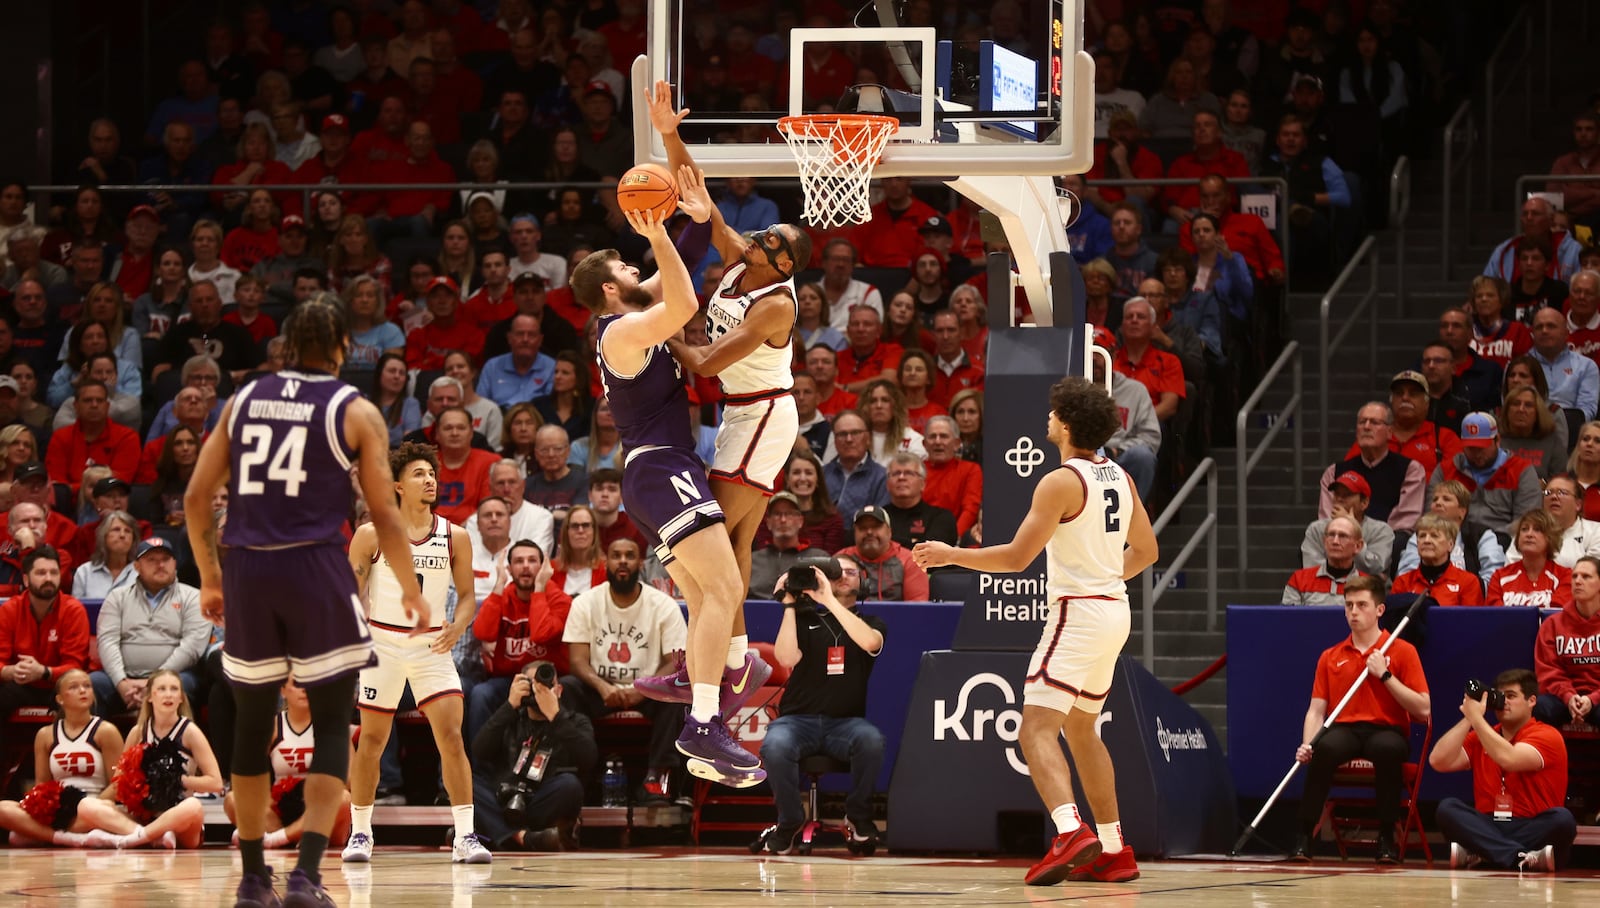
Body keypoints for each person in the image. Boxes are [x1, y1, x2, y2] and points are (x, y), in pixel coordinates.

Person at [183, 293, 428, 905]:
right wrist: (413, 590)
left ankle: (250, 880)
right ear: (343, 346)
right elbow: (385, 516)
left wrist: (211, 579)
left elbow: (193, 500)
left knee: (246, 730)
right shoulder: (355, 409)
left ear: (287, 344)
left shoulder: (242, 402)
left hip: (247, 571)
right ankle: (308, 877)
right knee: (330, 726)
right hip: (315, 567)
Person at [566, 158, 765, 788]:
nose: (639, 271)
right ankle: (702, 724)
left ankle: (705, 712)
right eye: (628, 270)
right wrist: (655, 234)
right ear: (608, 290)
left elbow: (690, 249)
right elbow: (680, 296)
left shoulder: (635, 312)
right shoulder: (618, 332)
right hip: (660, 469)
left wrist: (693, 210)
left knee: (710, 595)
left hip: (660, 473)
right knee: (727, 589)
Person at [913, 376, 1157, 883]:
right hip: (1114, 611)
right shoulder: (1120, 476)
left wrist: (950, 554)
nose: (1046, 419)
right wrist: (1104, 577)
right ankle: (1114, 847)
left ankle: (1070, 831)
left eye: (1052, 413)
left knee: (1035, 728)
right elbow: (1148, 552)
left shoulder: (1061, 480)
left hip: (1079, 614)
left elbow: (1017, 558)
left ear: (1066, 423)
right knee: (1084, 729)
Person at [343, 441, 489, 865]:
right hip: (382, 645)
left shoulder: (455, 536)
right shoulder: (371, 534)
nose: (430, 481)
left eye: (432, 474)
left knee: (451, 738)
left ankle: (465, 835)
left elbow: (466, 598)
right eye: (419, 474)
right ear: (397, 486)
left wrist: (458, 624)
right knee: (371, 740)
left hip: (430, 645)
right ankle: (360, 833)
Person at [1289, 574, 1430, 863]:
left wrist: (1386, 675)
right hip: (1346, 729)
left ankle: (1387, 839)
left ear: (1379, 610)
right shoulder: (1331, 656)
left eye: (1362, 605)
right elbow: (1316, 710)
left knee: (1387, 750)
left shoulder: (1402, 651)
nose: (1353, 611)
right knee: (1324, 750)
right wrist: (1308, 744)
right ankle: (1304, 837)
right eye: (1349, 605)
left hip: (1387, 729)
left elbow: (1423, 709)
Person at [757, 558, 887, 854]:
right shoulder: (803, 619)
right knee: (775, 744)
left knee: (872, 740)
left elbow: (869, 642)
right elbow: (786, 658)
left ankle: (856, 816)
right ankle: (790, 821)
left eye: (850, 572)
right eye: (835, 572)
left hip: (845, 723)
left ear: (862, 582)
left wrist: (827, 598)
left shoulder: (872, 622)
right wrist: (789, 606)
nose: (841, 577)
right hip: (797, 721)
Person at [560, 538, 690, 801]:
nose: (622, 561)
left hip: (649, 690)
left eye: (629, 556)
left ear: (640, 563)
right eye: (616, 555)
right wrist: (602, 686)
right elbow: (577, 661)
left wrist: (641, 689)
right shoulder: (585, 602)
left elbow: (676, 661)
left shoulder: (663, 605)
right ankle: (573, 774)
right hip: (599, 689)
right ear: (604, 563)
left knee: (678, 693)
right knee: (567, 689)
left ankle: (658, 779)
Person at [1428, 668, 1575, 872]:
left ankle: (1485, 853)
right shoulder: (1482, 734)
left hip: (1530, 824)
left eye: (1512, 696)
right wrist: (1469, 718)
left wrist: (1478, 721)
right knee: (1447, 809)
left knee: (1562, 819)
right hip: (1489, 824)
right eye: (1499, 696)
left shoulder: (1547, 735)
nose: (1504, 702)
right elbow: (1438, 761)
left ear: (1532, 700)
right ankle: (1519, 857)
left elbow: (1510, 759)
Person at [0, 668, 137, 848]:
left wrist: (92, 806)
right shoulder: (45, 735)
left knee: (20, 836)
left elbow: (119, 782)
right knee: (3, 809)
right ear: (60, 699)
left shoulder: (106, 730)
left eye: (87, 686)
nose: (82, 690)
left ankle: (45, 834)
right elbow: (42, 785)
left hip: (96, 806)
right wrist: (45, 811)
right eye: (74, 687)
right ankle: (71, 838)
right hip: (60, 809)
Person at [472, 659, 594, 852]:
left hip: (542, 802)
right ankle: (523, 838)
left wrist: (556, 716)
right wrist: (509, 705)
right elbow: (479, 751)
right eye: (531, 684)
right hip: (506, 802)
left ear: (559, 691)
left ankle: (494, 834)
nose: (538, 691)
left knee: (570, 785)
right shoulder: (511, 718)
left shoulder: (574, 721)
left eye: (546, 685)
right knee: (466, 781)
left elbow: (588, 759)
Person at [223, 678, 353, 850]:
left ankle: (274, 840)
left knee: (342, 797)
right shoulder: (272, 727)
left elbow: (350, 782)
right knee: (233, 799)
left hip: (323, 817)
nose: (305, 689)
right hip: (280, 813)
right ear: (283, 691)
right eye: (297, 684)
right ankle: (282, 836)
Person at [468, 539, 571, 742]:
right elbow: (482, 633)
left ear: (543, 568)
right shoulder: (502, 596)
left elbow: (541, 634)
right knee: (480, 694)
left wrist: (539, 590)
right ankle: (479, 772)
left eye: (532, 560)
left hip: (548, 680)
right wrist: (498, 584)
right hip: (509, 678)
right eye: (519, 561)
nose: (525, 566)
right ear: (509, 568)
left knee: (571, 688)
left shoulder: (560, 600)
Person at [91, 537, 207, 715]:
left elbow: (192, 646)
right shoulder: (117, 597)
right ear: (137, 567)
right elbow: (107, 642)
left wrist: (155, 681)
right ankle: (98, 742)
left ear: (175, 564)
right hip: (125, 680)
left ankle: (175, 743)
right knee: (93, 684)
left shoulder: (193, 597)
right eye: (151, 560)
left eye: (166, 559)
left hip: (173, 676)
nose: (160, 565)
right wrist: (121, 682)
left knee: (181, 685)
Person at [115, 668, 222, 848]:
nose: (168, 695)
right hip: (145, 816)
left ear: (181, 698)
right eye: (162, 689)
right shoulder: (138, 732)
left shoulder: (190, 732)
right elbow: (119, 779)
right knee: (88, 806)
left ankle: (138, 837)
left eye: (174, 689)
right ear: (149, 696)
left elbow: (216, 783)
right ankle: (153, 836)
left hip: (180, 817)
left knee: (193, 806)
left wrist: (177, 780)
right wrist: (139, 783)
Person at [0, 547, 90, 718]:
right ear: (26, 580)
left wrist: (44, 672)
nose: (49, 578)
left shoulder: (73, 610)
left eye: (54, 572)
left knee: (82, 693)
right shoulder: (10, 610)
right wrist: (11, 671)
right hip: (20, 684)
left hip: (60, 686)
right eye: (41, 573)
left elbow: (75, 666)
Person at [1430, 412, 1543, 537]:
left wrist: (1490, 538)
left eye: (1482, 447)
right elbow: (1431, 515)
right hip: (1453, 538)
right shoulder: (1445, 470)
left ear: (1497, 440)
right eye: (1470, 448)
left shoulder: (1521, 470)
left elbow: (1527, 520)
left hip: (1505, 539)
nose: (1477, 453)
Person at [1320, 402, 1426, 532]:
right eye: (1362, 422)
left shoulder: (1410, 470)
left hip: (1390, 544)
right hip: (1341, 540)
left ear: (1389, 432)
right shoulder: (1335, 472)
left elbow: (1404, 524)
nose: (1366, 427)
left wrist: (1361, 534)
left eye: (1375, 422)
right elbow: (1326, 520)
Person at [1395, 480, 1506, 588]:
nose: (1438, 503)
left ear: (1462, 511)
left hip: (1470, 600)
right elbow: (1406, 574)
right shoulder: (1420, 535)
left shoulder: (1481, 535)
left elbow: (1493, 576)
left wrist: (1465, 591)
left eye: (1446, 499)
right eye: (1435, 499)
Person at [1533, 556, 1600, 728]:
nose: (1578, 581)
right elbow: (1548, 672)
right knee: (1540, 706)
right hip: (1563, 697)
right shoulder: (1553, 625)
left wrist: (1592, 699)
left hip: (1598, 697)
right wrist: (1569, 696)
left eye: (1586, 577)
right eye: (1574, 576)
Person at [1301, 474, 1394, 578]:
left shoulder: (1381, 530)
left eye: (1346, 495)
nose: (1339, 499)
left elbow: (1375, 567)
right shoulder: (1316, 529)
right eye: (1336, 494)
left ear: (1364, 503)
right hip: (1324, 591)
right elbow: (1312, 569)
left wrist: (1351, 526)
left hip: (1366, 591)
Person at [748, 492, 832, 599]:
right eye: (777, 514)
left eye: (790, 514)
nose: (783, 520)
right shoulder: (751, 560)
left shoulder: (819, 558)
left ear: (800, 521)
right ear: (768, 522)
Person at [1391, 514, 1486, 605]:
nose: (1426, 540)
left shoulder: (1468, 582)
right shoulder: (1402, 582)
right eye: (1422, 536)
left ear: (1450, 545)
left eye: (1434, 536)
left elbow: (1471, 620)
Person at [1487, 510, 1573, 607]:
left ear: (1550, 537)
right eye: (1524, 529)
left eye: (1537, 530)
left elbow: (1557, 615)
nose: (1529, 534)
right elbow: (1495, 616)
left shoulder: (1565, 576)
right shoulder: (1499, 577)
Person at [1284, 516, 1369, 605]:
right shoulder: (1299, 579)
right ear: (1324, 542)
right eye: (1331, 535)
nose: (1335, 541)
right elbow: (1288, 617)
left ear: (1358, 546)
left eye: (1343, 536)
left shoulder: (1368, 585)